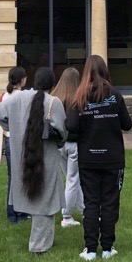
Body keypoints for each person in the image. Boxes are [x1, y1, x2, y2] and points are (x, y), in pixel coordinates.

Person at [65, 54, 132, 260]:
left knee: (92, 202)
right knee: (110, 202)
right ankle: (107, 248)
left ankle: (91, 248)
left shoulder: (80, 97)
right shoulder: (115, 95)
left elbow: (70, 126)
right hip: (112, 157)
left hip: (89, 157)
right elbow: (127, 124)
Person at [0, 66, 68, 253]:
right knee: (46, 198)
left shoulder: (17, 98)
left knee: (41, 196)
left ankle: (45, 241)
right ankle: (38, 245)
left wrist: (13, 129)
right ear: (53, 84)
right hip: (48, 157)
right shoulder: (54, 102)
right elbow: (62, 132)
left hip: (23, 154)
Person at [51, 66, 84, 227]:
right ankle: (67, 216)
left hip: (59, 144)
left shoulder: (54, 97)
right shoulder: (78, 98)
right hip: (74, 144)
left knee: (72, 180)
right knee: (73, 180)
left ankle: (85, 210)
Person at [0, 66, 30, 224]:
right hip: (21, 138)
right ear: (23, 80)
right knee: (21, 176)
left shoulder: (5, 95)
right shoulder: (24, 96)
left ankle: (13, 210)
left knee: (13, 175)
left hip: (9, 137)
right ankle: (19, 211)